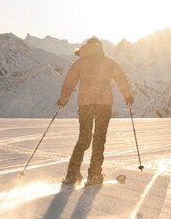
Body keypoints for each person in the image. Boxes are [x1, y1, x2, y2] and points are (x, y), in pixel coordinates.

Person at [57, 36, 134, 186]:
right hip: (104, 105)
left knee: (84, 139)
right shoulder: (108, 61)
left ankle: (72, 175)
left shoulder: (79, 63)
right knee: (99, 139)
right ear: (99, 47)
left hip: (85, 104)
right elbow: (121, 78)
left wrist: (63, 100)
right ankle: (94, 175)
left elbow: (69, 83)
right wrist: (127, 95)